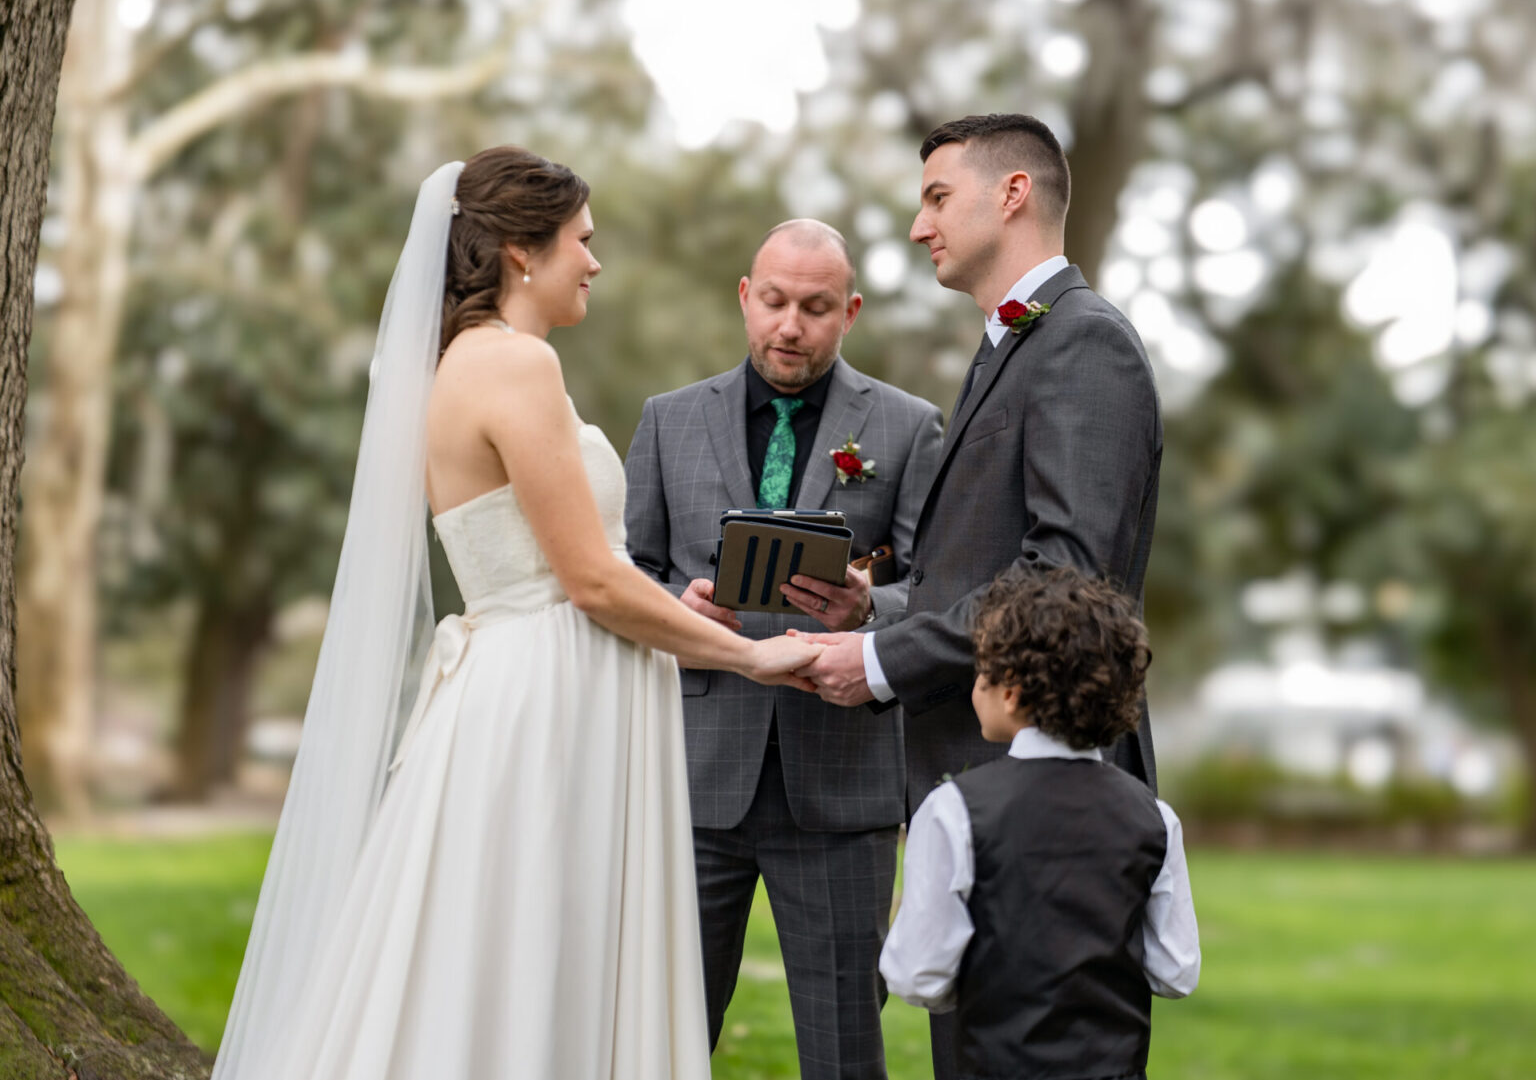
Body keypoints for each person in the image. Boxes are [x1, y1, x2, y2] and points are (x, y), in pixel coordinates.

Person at [211, 148, 821, 1080]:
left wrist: (671, 605)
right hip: (547, 696)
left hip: (522, 676)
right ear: (520, 254)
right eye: (582, 239)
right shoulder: (516, 364)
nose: (595, 261)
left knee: (496, 941)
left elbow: (566, 563)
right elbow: (590, 583)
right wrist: (751, 657)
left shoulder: (457, 363)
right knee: (536, 934)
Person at [794, 112, 1165, 1077]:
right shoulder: (1009, 348)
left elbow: (1063, 573)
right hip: (978, 776)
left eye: (936, 197)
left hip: (1051, 797)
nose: (919, 226)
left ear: (1013, 195)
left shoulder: (1087, 345)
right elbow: (987, 566)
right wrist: (874, 609)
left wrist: (882, 662)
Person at [624, 218, 943, 1079]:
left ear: (851, 312)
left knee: (844, 1053)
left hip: (842, 791)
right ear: (744, 297)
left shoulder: (911, 429)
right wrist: (676, 604)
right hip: (692, 784)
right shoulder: (667, 420)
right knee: (660, 1039)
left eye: (813, 307)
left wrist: (868, 602)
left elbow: (941, 591)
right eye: (773, 302)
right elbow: (626, 576)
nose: (789, 326)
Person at [880, 567, 1200, 1080]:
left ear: (1011, 693)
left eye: (981, 673)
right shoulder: (1155, 817)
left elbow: (917, 975)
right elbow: (1176, 970)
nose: (975, 689)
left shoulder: (953, 810)